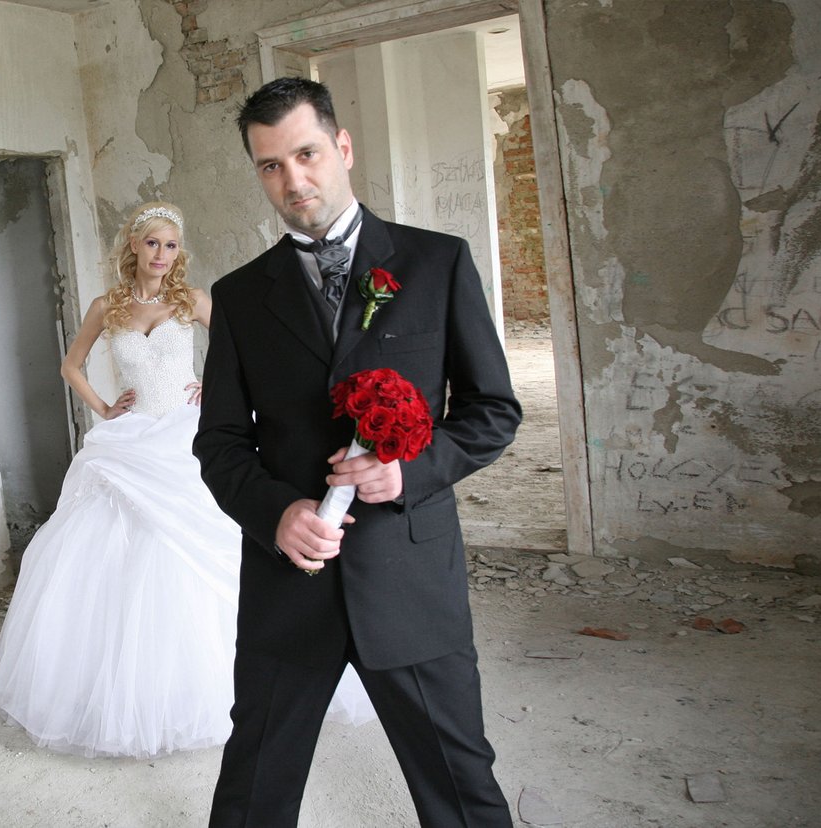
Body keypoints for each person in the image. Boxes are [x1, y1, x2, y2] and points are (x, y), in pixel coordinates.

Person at [194, 78, 522, 826]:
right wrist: (277, 513)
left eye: (306, 154)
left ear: (341, 148)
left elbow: (492, 411)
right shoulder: (242, 296)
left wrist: (408, 471)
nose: (293, 180)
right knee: (254, 786)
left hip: (409, 575)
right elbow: (218, 441)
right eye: (270, 165)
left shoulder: (436, 264)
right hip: (290, 581)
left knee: (460, 782)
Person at [0, 201, 373, 759]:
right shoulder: (107, 305)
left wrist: (214, 389)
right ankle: (115, 681)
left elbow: (252, 352)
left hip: (183, 435)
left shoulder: (190, 300)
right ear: (133, 247)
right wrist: (103, 408)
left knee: (203, 542)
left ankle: (227, 681)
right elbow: (71, 364)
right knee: (110, 549)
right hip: (130, 437)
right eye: (152, 244)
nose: (162, 255)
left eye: (171, 245)